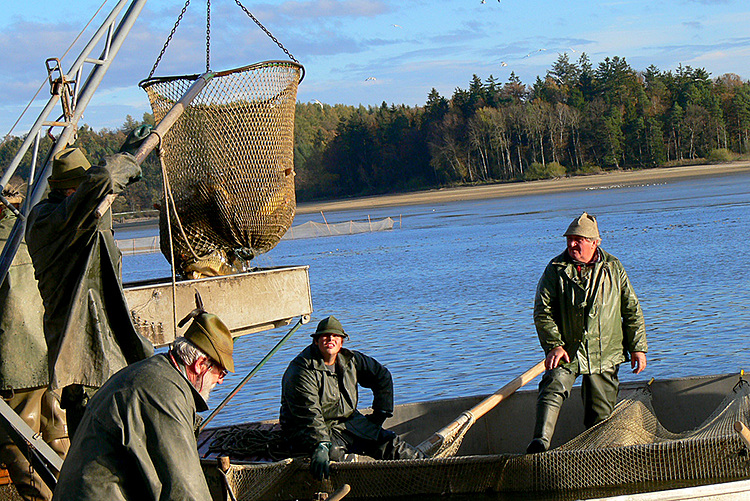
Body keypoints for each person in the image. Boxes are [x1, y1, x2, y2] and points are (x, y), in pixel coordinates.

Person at [25, 136, 154, 438]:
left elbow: (101, 186)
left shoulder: (57, 215)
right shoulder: (53, 220)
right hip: (84, 356)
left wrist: (129, 150)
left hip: (88, 354)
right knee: (102, 443)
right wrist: (126, 159)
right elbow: (107, 176)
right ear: (72, 191)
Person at [52, 309, 234, 500]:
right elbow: (185, 491)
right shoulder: (164, 393)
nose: (220, 380)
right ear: (200, 364)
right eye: (221, 372)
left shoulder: (155, 373)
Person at [527, 212, 648, 454]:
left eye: (578, 239)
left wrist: (638, 347)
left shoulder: (613, 268)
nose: (572, 244)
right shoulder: (555, 269)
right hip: (567, 350)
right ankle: (539, 444)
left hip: (606, 351)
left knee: (600, 413)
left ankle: (597, 453)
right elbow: (542, 310)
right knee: (553, 385)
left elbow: (631, 308)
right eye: (569, 239)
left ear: (594, 242)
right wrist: (554, 344)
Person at [280, 315, 423, 481]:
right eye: (325, 336)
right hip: (307, 429)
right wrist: (321, 444)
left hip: (349, 421)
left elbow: (381, 376)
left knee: (390, 443)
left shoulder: (351, 360)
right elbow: (309, 413)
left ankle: (428, 468)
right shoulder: (301, 370)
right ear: (316, 341)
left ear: (342, 342)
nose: (330, 339)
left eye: (335, 336)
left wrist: (381, 413)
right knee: (331, 456)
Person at [0, 188, 68, 501]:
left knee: (19, 443)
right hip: (50, 353)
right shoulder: (32, 233)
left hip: (16, 365)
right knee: (57, 433)